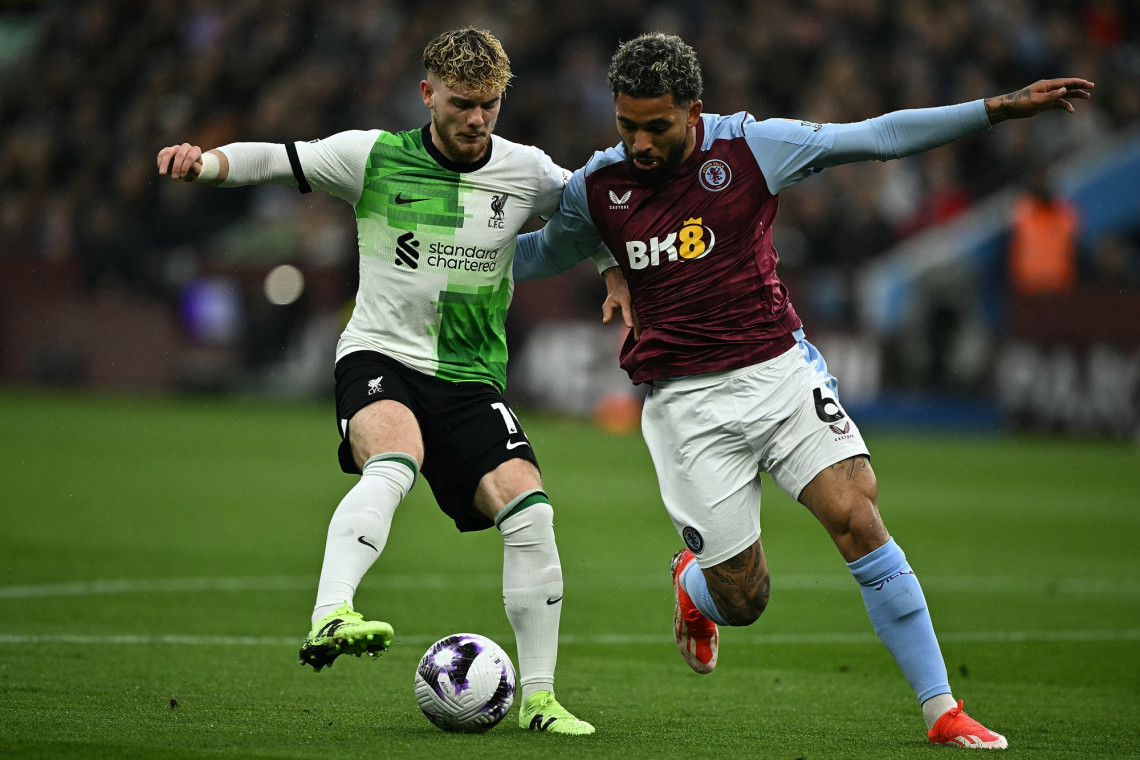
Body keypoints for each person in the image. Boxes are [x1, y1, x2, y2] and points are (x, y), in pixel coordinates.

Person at [515, 32, 1094, 749]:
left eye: (655, 127)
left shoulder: (751, 148)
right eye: (625, 125)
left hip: (778, 371)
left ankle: (941, 709)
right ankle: (692, 586)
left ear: (693, 111)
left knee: (857, 514)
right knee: (743, 597)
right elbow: (542, 253)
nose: (638, 144)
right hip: (686, 407)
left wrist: (997, 109)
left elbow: (877, 137)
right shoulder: (598, 187)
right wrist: (448, 257)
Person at [156, 27, 608, 736]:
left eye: (489, 105)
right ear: (427, 94)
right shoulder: (370, 156)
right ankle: (331, 613)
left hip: (470, 378)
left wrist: (614, 273)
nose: (476, 119)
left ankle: (541, 701)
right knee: (395, 460)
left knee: (532, 512)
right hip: (380, 356)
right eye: (461, 103)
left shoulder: (526, 170)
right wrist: (205, 164)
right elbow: (274, 158)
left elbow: (591, 216)